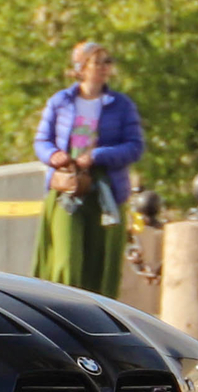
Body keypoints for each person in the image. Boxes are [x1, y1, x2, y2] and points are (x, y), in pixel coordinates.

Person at [32, 41, 145, 297]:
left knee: (99, 262)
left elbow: (135, 147)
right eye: (98, 62)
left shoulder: (121, 105)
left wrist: (97, 156)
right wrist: (54, 155)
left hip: (107, 190)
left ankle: (97, 322)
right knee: (66, 259)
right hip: (67, 187)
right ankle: (60, 309)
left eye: (108, 61)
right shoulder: (60, 102)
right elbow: (41, 141)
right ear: (80, 68)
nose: (105, 67)